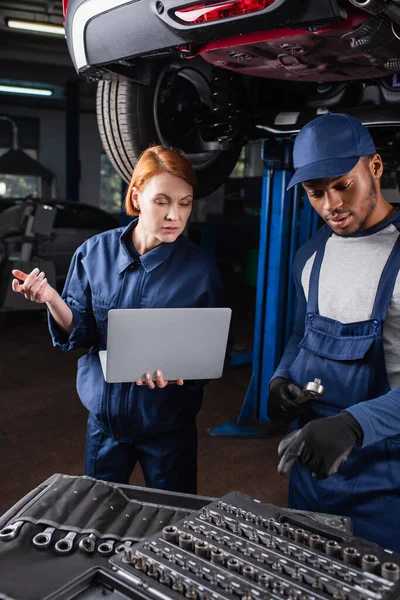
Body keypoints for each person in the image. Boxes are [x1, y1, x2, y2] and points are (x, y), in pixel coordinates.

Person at [11, 145, 226, 494]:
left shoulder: (200, 270)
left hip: (168, 427)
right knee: (98, 515)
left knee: (172, 518)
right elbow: (80, 332)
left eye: (184, 203)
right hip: (105, 425)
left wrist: (178, 375)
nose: (175, 215)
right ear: (137, 197)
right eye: (162, 201)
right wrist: (52, 299)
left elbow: (213, 352)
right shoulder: (94, 254)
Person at [267, 113, 400, 551]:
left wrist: (355, 425)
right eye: (315, 192)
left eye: (343, 185)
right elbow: (301, 333)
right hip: (314, 466)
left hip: (388, 476)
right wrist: (281, 378)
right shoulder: (310, 255)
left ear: (375, 167)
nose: (330, 205)